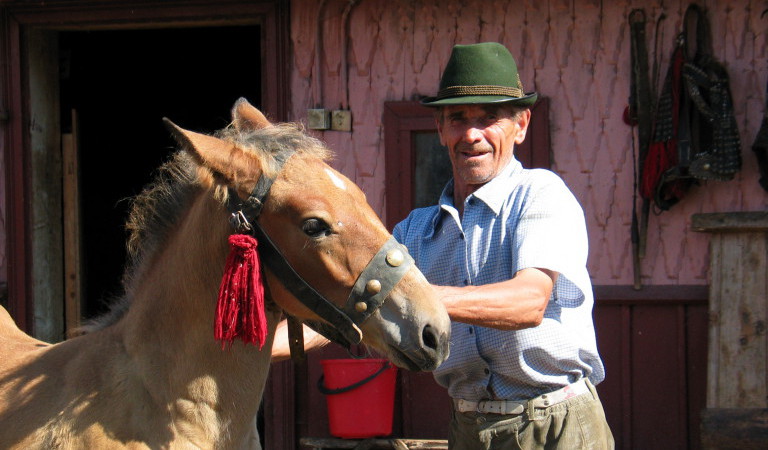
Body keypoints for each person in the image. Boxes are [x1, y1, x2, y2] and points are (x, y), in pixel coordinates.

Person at [389, 42, 614, 449]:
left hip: (555, 427)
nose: (472, 134)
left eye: (490, 118)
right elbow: (358, 298)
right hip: (469, 428)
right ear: (440, 129)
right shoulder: (415, 231)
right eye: (457, 118)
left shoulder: (541, 194)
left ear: (521, 125)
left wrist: (411, 295)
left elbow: (528, 303)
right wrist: (260, 343)